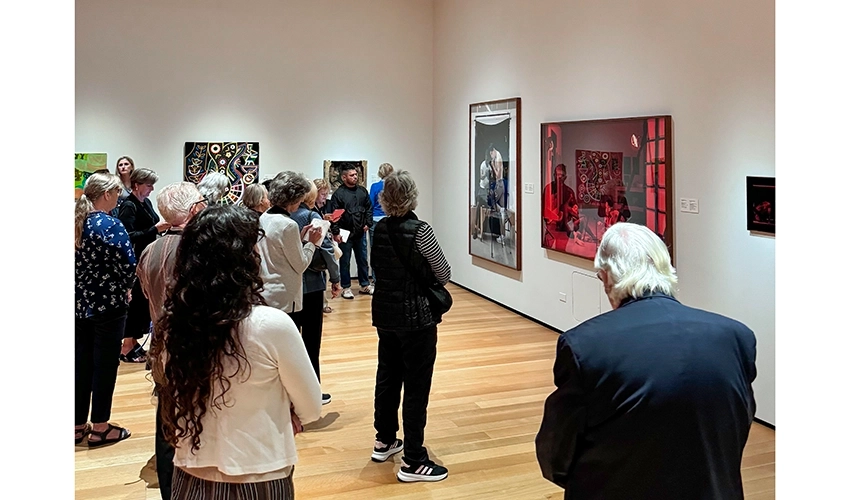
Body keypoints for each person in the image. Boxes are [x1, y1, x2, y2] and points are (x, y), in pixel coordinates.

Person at [535, 222, 757, 499]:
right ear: (665, 268)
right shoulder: (736, 336)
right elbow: (737, 423)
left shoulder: (584, 345)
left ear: (605, 277)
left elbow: (557, 451)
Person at [158, 205, 322, 499]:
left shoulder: (174, 323)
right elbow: (312, 408)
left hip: (190, 470)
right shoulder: (271, 325)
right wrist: (283, 408)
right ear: (245, 259)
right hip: (259, 473)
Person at [369, 170, 451, 483]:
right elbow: (443, 273)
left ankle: (384, 439)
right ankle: (414, 460)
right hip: (417, 317)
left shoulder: (379, 230)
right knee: (417, 384)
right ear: (412, 196)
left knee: (387, 375)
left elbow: (378, 268)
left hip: (386, 314)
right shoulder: (421, 230)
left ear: (384, 198)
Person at [136, 182, 207, 500]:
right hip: (196, 349)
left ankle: (170, 490)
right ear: (194, 210)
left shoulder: (151, 250)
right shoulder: (200, 249)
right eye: (202, 203)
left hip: (162, 348)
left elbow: (147, 296)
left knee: (166, 422)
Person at [75, 172, 137, 447]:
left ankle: (76, 426)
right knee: (104, 366)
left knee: (80, 365)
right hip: (109, 304)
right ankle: (100, 426)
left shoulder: (75, 222)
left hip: (77, 304)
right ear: (107, 195)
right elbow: (128, 262)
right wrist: (126, 287)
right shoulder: (109, 224)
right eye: (116, 193)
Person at [289, 182, 342, 406]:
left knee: (291, 343)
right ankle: (312, 393)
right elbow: (327, 251)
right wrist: (336, 279)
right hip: (311, 286)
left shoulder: (286, 217)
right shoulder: (312, 216)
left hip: (290, 289)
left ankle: (290, 393)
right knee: (311, 342)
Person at [117, 167, 171, 362]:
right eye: (149, 185)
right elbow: (127, 236)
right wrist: (153, 229)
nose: (151, 189)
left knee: (142, 303)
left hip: (146, 258)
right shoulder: (129, 206)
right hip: (136, 260)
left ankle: (134, 341)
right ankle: (127, 345)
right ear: (137, 185)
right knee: (136, 302)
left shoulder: (145, 202)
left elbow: (152, 226)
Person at [257, 171, 324, 313]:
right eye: (300, 199)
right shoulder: (288, 224)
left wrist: (298, 239)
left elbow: (277, 248)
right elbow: (301, 265)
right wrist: (311, 243)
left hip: (266, 289)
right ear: (293, 198)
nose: (301, 203)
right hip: (284, 295)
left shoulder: (264, 217)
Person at [328, 164, 373, 298]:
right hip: (345, 233)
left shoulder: (362, 191)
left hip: (360, 233)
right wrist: (336, 232)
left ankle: (364, 285)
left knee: (362, 260)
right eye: (352, 175)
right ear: (344, 177)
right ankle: (346, 287)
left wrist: (368, 223)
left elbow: (369, 208)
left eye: (356, 174)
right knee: (345, 261)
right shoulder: (338, 195)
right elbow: (334, 215)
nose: (355, 177)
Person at [544, 164, 589, 246]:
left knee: (561, 250)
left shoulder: (569, 192)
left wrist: (574, 209)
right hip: (551, 227)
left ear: (566, 177)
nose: (560, 177)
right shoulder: (548, 189)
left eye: (562, 175)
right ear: (554, 175)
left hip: (564, 228)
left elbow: (575, 210)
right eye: (558, 175)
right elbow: (543, 208)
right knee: (547, 249)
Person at [368, 163, 394, 281]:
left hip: (376, 219)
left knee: (375, 250)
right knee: (390, 249)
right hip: (390, 219)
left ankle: (376, 279)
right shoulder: (393, 186)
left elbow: (371, 204)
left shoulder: (375, 186)